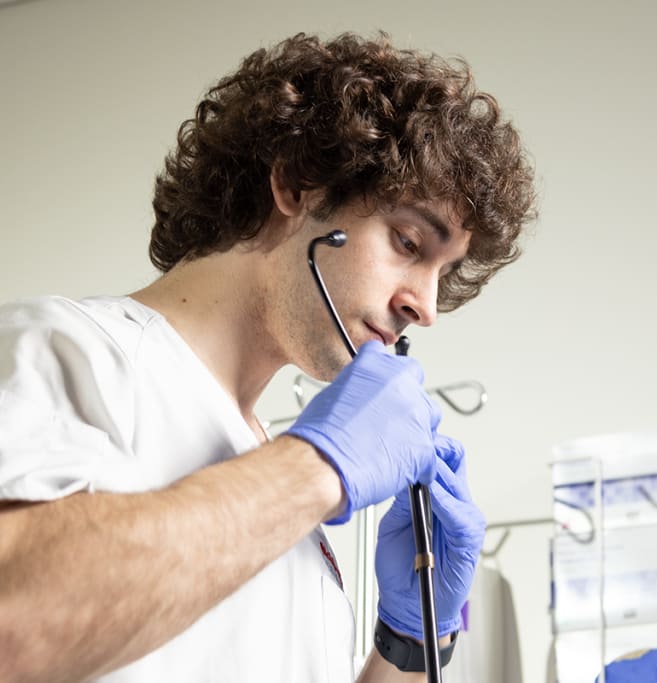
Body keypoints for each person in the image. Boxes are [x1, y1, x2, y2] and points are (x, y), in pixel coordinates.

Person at [0, 31, 536, 683]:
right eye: (408, 241)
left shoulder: (278, 489)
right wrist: (319, 464)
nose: (425, 305)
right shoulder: (63, 350)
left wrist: (411, 639)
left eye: (442, 271)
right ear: (298, 183)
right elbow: (14, 622)